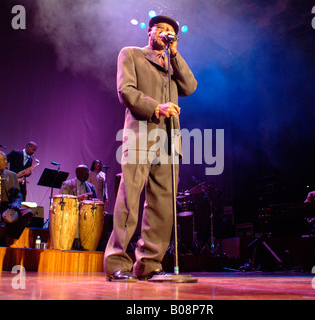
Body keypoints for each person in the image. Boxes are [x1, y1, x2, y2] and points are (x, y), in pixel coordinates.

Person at [104, 15, 197, 282]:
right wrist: (157, 107)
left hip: (169, 141)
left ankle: (149, 264)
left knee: (162, 206)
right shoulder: (131, 54)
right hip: (141, 135)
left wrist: (176, 56)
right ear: (149, 31)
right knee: (129, 201)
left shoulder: (171, 64)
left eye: (171, 31)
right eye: (161, 29)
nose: (166, 33)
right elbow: (126, 91)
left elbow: (190, 87)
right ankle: (117, 262)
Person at [60, 164, 98, 250]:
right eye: (86, 171)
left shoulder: (91, 187)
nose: (88, 173)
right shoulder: (67, 184)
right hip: (71, 214)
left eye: (88, 171)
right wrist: (78, 198)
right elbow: (63, 201)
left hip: (87, 215)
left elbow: (97, 201)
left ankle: (88, 243)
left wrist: (92, 200)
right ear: (78, 173)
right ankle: (74, 242)